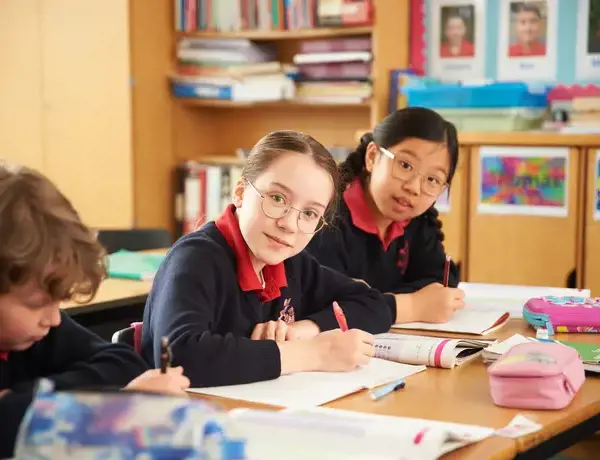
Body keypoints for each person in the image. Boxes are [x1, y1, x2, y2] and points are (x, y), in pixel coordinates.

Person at [141, 130, 393, 388]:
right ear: (240, 192)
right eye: (277, 198)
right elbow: (178, 357)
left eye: (309, 213)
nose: (289, 225)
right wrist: (312, 353)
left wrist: (304, 329)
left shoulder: (290, 262)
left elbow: (375, 304)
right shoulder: (196, 258)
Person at [0, 163, 190, 459]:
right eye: (36, 304)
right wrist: (117, 403)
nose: (53, 319)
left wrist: (28, 398)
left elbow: (123, 361)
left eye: (58, 302)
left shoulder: (38, 331)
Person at [306, 107, 464, 326]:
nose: (414, 188)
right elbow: (326, 304)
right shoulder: (324, 216)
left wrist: (375, 300)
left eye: (432, 180)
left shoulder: (417, 221)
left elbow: (437, 280)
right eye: (405, 165)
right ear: (372, 157)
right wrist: (411, 305)